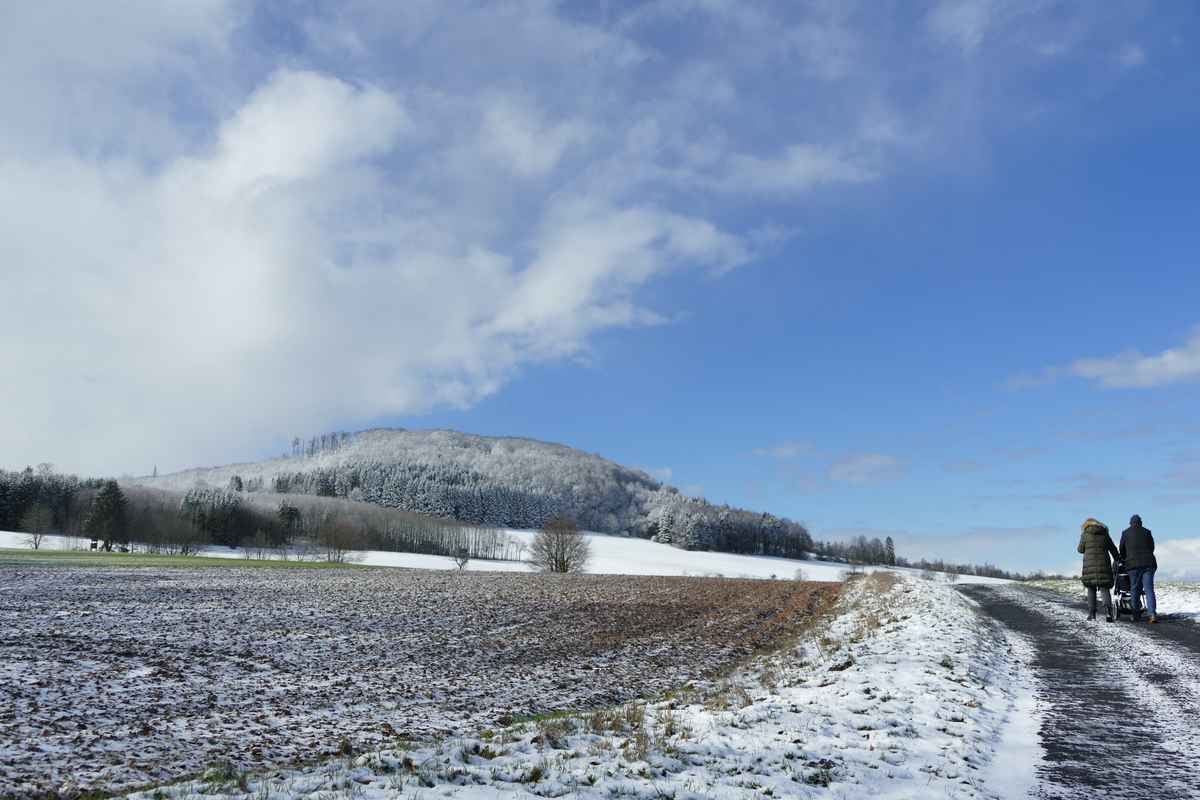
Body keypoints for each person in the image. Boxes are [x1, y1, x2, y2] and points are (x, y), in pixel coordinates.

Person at [1078, 518, 1119, 622]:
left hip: (1089, 565)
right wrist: (1118, 558)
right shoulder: (1104, 533)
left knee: (1091, 588)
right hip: (1103, 564)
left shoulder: (1085, 534)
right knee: (1104, 588)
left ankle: (1092, 614)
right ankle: (1108, 612)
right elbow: (1113, 548)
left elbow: (1080, 549)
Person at [1119, 514, 1158, 623]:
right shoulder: (1147, 532)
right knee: (1149, 590)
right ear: (1141, 522)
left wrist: (1125, 558)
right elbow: (1152, 547)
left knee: (1135, 589)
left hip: (1133, 565)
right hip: (1149, 564)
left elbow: (1121, 549)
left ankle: (1136, 614)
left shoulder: (1125, 533)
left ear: (1130, 523)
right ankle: (1152, 615)